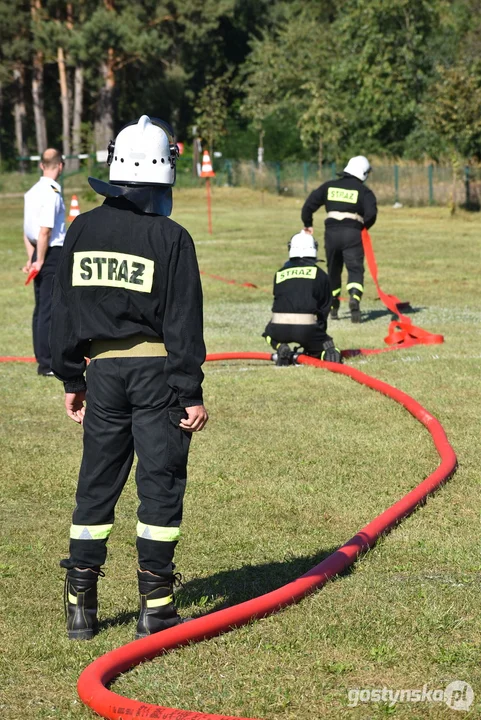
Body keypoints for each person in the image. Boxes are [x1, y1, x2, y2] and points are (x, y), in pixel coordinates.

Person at [49, 115, 208, 640]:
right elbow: (183, 321)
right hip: (157, 373)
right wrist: (190, 391)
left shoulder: (83, 229)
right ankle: (156, 605)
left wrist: (73, 379)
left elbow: (63, 310)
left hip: (104, 374)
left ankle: (80, 603)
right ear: (162, 178)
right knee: (159, 484)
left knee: (96, 482)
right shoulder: (171, 236)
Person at [301, 155, 377, 323]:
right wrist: (363, 227)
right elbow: (371, 213)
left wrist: (308, 224)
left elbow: (308, 206)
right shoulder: (364, 191)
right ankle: (355, 299)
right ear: (363, 173)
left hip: (332, 233)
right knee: (355, 269)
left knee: (333, 270)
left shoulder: (329, 186)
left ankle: (333, 305)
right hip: (353, 234)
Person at [263, 230, 342, 365]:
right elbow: (324, 309)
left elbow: (279, 301)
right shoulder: (320, 275)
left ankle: (280, 347)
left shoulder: (280, 273)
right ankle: (325, 353)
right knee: (328, 349)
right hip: (307, 330)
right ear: (314, 249)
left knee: (267, 334)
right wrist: (320, 335)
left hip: (278, 329)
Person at [23, 148, 66, 375]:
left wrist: (31, 258)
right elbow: (45, 230)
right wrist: (40, 260)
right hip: (50, 254)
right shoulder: (51, 192)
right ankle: (47, 363)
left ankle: (44, 359)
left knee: (41, 309)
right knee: (49, 309)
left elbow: (27, 231)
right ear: (60, 166)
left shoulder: (31, 192)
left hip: (38, 252)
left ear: (41, 165)